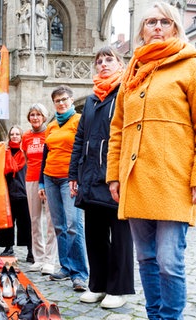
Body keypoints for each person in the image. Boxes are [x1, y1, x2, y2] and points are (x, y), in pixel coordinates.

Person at [106, 2, 196, 319]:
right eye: (151, 22)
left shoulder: (192, 64)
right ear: (141, 30)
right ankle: (155, 315)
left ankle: (171, 317)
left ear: (175, 27)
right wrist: (113, 174)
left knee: (170, 260)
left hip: (174, 178)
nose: (158, 27)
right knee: (145, 258)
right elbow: (117, 127)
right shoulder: (132, 70)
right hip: (136, 177)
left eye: (165, 22)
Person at [69, 46, 134, 309]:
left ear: (120, 64)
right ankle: (97, 284)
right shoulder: (92, 100)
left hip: (115, 175)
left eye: (109, 60)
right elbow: (80, 138)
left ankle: (118, 289)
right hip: (91, 175)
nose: (104, 64)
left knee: (119, 235)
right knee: (94, 234)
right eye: (100, 61)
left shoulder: (125, 92)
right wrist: (74, 174)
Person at [38, 85, 88, 290]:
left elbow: (84, 150)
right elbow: (45, 154)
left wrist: (78, 177)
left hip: (70, 179)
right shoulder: (51, 126)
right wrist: (41, 181)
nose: (61, 103)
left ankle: (79, 274)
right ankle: (65, 266)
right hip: (50, 177)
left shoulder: (79, 121)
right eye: (57, 100)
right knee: (59, 226)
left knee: (74, 225)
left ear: (72, 100)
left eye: (64, 99)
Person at [21, 104, 57, 275]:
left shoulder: (50, 132)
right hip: (31, 179)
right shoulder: (26, 136)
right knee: (35, 220)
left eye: (38, 114)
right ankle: (39, 258)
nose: (35, 117)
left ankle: (50, 260)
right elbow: (25, 156)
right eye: (32, 114)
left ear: (44, 116)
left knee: (50, 220)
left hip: (49, 178)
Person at [0, 126, 33, 260]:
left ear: (21, 136)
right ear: (9, 136)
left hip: (24, 192)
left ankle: (31, 250)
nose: (15, 136)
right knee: (7, 222)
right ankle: (8, 248)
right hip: (8, 192)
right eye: (12, 134)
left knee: (27, 223)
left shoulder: (26, 152)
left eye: (17, 134)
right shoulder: (4, 152)